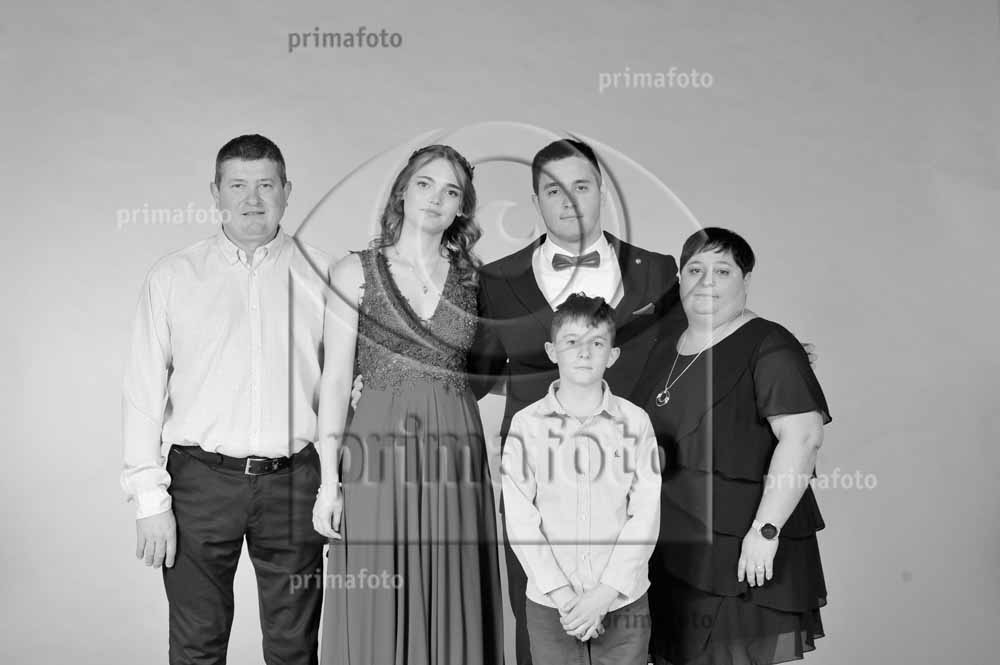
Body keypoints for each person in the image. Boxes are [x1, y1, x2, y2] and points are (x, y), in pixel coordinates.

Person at [468, 138, 682, 665]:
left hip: (633, 487)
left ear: (601, 192)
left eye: (581, 187)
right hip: (540, 489)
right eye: (553, 191)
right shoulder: (498, 279)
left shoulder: (656, 270)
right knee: (542, 636)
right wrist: (381, 384)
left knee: (636, 632)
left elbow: (685, 357)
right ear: (536, 200)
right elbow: (475, 374)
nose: (568, 201)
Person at [121, 134, 331, 664]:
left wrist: (337, 483)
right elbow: (143, 391)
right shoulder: (173, 276)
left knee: (294, 649)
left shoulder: (326, 275)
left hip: (295, 483)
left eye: (266, 185)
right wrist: (148, 500)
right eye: (237, 185)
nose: (252, 199)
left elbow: (344, 389)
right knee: (197, 646)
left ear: (288, 191)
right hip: (198, 485)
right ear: (215, 192)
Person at [312, 144, 504, 665]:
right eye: (425, 184)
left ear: (461, 207)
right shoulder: (353, 271)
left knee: (453, 588)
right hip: (375, 451)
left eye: (451, 191)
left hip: (455, 454)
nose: (436, 198)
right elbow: (335, 382)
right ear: (402, 190)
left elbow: (499, 367)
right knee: (375, 588)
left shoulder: (473, 280)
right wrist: (328, 484)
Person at [631, 227, 830, 665]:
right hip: (670, 549)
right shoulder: (666, 346)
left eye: (722, 271)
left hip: (740, 551)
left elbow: (803, 438)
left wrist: (765, 531)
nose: (707, 282)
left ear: (746, 280)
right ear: (680, 279)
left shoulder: (770, 345)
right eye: (695, 270)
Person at [501, 294, 661, 665]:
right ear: (552, 351)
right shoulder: (527, 425)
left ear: (613, 355)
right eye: (571, 342)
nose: (584, 353)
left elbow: (645, 515)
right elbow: (521, 518)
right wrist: (563, 596)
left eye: (597, 343)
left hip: (622, 600)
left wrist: (604, 594)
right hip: (551, 604)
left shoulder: (636, 422)